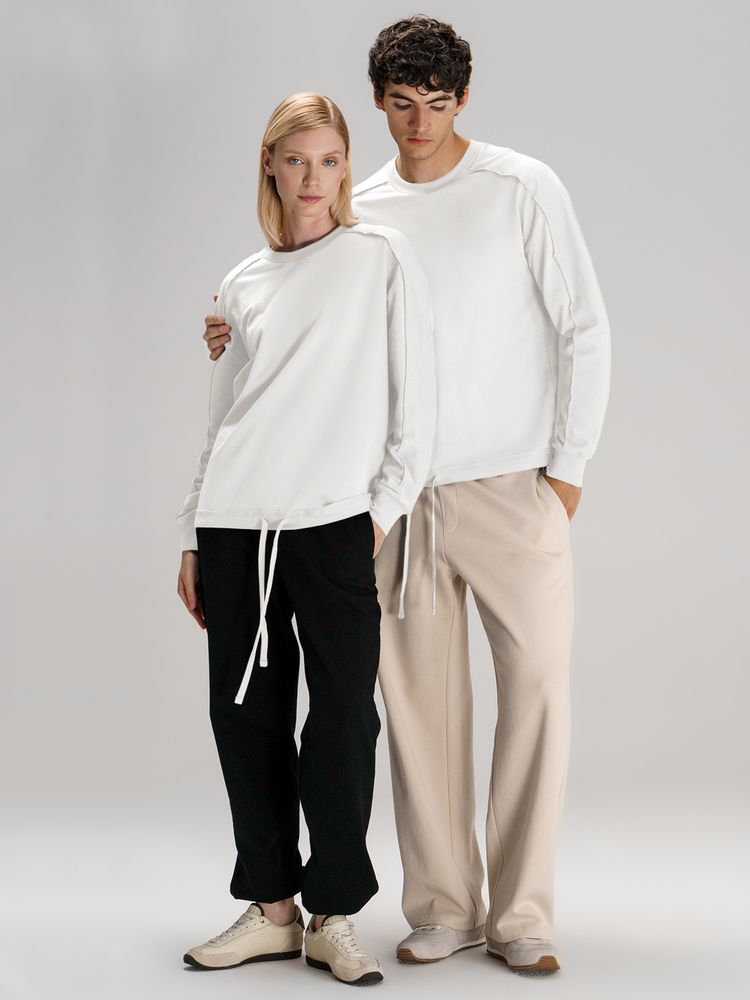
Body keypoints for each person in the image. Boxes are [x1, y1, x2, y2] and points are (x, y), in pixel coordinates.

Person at [201, 15, 611, 976]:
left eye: (437, 103)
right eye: (401, 104)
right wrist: (231, 329)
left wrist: (566, 470)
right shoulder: (365, 208)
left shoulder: (521, 187)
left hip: (512, 484)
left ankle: (523, 915)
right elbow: (302, 303)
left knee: (537, 692)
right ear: (378, 104)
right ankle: (444, 907)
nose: (420, 122)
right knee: (420, 712)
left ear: (464, 99)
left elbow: (582, 328)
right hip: (397, 502)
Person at [175, 91, 436, 987]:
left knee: (344, 721)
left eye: (329, 160)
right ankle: (273, 909)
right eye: (297, 161)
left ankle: (334, 914)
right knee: (244, 717)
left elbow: (417, 401)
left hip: (334, 526)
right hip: (237, 525)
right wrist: (192, 533)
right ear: (271, 167)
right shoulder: (243, 282)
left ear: (344, 166)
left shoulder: (380, 256)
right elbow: (223, 419)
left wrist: (379, 512)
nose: (314, 178)